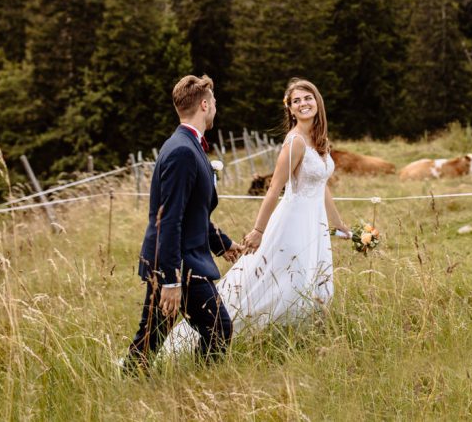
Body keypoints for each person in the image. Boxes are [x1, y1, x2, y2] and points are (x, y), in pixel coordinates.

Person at [162, 77, 349, 354]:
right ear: (291, 109)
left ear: (317, 101)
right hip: (293, 222)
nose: (303, 104)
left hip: (315, 224)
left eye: (307, 98)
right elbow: (274, 188)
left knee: (313, 280)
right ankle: (225, 333)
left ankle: (305, 340)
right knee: (282, 280)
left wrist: (341, 226)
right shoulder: (295, 141)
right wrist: (259, 231)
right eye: (296, 101)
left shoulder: (320, 141)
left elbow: (322, 188)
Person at [122, 74, 245, 373]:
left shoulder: (189, 145)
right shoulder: (182, 151)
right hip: (179, 264)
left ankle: (133, 378)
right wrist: (171, 280)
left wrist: (223, 243)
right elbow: (170, 220)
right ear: (204, 105)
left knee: (150, 338)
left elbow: (194, 213)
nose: (216, 106)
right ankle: (204, 388)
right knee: (218, 330)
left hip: (180, 259)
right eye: (214, 101)